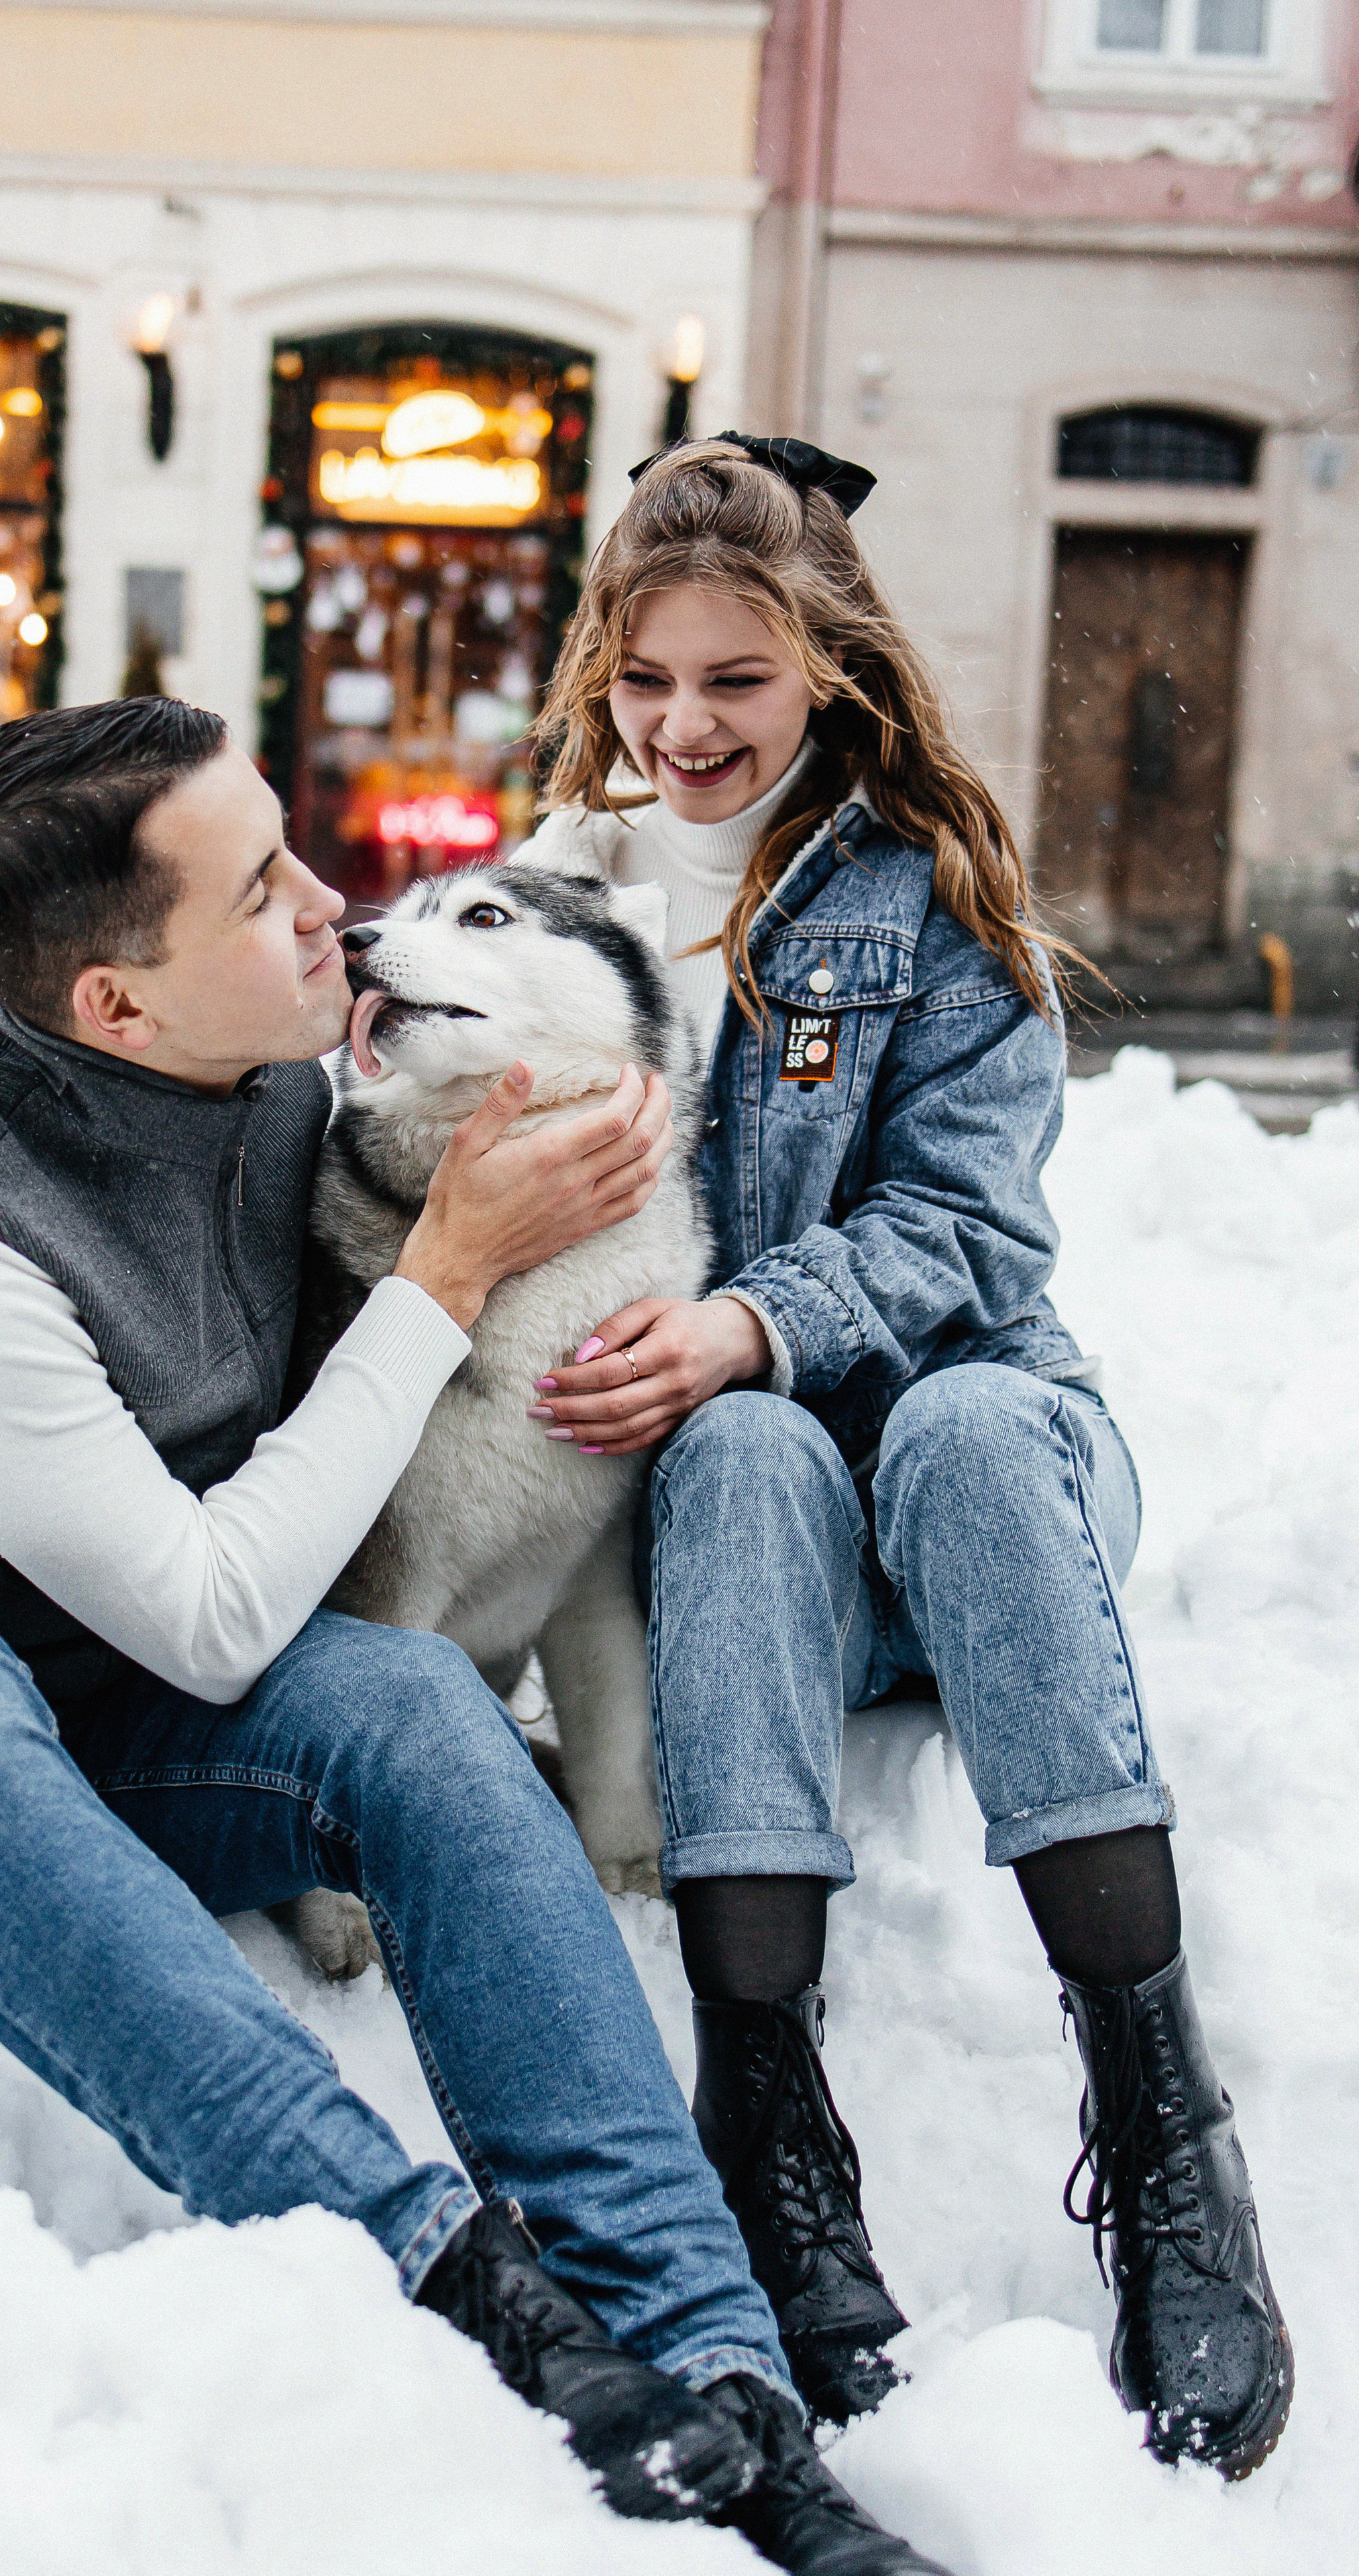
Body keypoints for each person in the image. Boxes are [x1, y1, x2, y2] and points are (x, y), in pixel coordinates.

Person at [0, 698, 948, 2574]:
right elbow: (205, 1614)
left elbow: (559, 1070)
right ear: (115, 1006)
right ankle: (452, 2277)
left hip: (121, 1731)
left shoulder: (280, 1089)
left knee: (418, 1701)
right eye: (264, 891)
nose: (334, 908)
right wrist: (446, 1275)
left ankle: (720, 2374)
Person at [519, 435, 1293, 2480]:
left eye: (737, 685)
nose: (683, 727)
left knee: (924, 1421)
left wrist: (751, 1315)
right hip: (756, 1524)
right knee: (753, 1454)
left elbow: (971, 1234)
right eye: (647, 679)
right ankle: (764, 2117)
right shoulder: (551, 905)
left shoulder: (927, 895)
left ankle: (1161, 2119)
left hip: (993, 1459)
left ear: (831, 676)